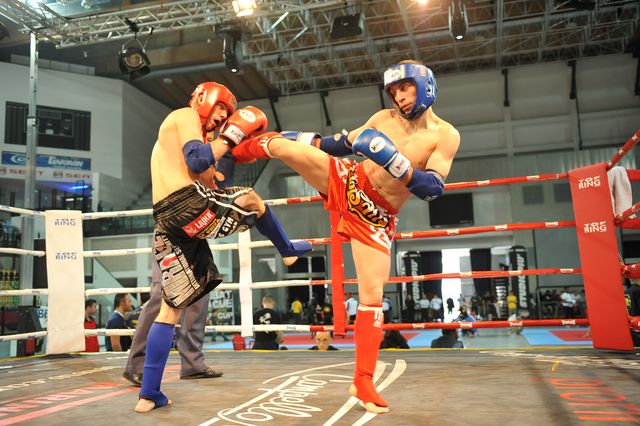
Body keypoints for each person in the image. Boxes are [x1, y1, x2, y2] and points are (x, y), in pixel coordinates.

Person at [231, 60, 460, 413]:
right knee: (285, 148)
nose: (399, 96)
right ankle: (232, 151)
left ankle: (363, 381)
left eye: (405, 88)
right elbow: (335, 144)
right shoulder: (382, 118)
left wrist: (395, 162)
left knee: (372, 298)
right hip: (348, 180)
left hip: (377, 215)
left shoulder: (445, 135)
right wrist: (307, 141)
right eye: (394, 91)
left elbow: (433, 188)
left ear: (424, 86)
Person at [134, 81, 312, 413]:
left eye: (227, 115)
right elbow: (197, 159)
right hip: (186, 207)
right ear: (203, 99)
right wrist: (232, 135)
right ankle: (287, 250)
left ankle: (149, 393)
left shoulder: (187, 137)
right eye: (220, 109)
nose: (221, 117)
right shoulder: (184, 115)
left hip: (167, 224)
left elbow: (201, 172)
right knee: (253, 199)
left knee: (170, 310)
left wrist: (215, 170)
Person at [123, 261, 222, 387]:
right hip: (170, 249)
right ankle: (137, 365)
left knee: (199, 291)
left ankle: (193, 363)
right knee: (162, 295)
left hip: (197, 250)